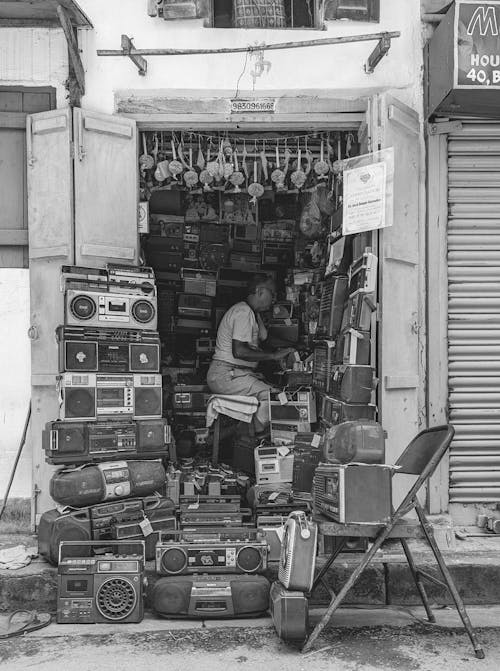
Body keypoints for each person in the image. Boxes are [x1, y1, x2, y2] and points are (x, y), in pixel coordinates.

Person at [207, 275, 295, 435]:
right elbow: (239, 351)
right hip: (226, 376)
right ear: (260, 292)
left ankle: (246, 436)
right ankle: (242, 437)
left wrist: (292, 346)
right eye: (272, 294)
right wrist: (273, 356)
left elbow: (266, 338)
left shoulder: (253, 314)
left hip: (233, 374)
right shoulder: (243, 312)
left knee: (276, 395)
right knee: (276, 398)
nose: (274, 299)